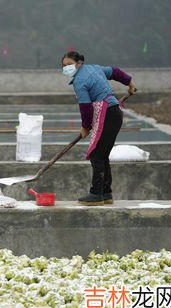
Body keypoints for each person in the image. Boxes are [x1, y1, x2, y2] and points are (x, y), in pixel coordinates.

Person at [61, 51, 137, 206]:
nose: (66, 68)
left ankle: (96, 194)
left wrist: (85, 127)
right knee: (102, 155)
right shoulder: (95, 68)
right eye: (64, 66)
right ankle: (106, 193)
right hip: (115, 112)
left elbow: (85, 107)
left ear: (78, 63)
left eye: (69, 64)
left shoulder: (79, 81)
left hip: (107, 113)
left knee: (96, 154)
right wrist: (129, 83)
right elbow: (115, 72)